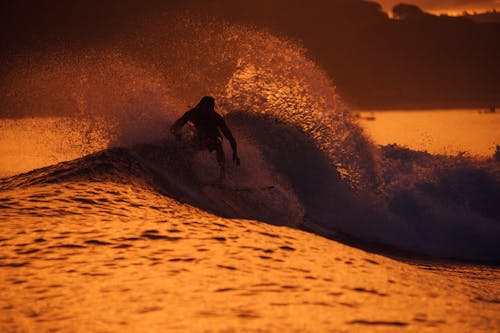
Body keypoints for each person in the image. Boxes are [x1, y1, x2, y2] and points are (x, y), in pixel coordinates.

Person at [170, 96, 240, 180]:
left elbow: (230, 138)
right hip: (199, 138)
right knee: (188, 146)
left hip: (213, 139)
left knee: (217, 143)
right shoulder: (192, 113)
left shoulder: (216, 118)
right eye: (207, 107)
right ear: (201, 105)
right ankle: (183, 166)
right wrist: (178, 136)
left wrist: (235, 153)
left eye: (210, 108)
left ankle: (222, 172)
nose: (208, 110)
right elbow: (174, 127)